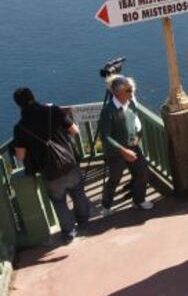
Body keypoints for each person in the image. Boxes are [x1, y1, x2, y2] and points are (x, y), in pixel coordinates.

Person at [13, 87, 90, 244]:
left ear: (18, 105)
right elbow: (74, 131)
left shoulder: (20, 128)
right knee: (78, 192)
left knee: (59, 201)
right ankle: (84, 222)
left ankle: (69, 232)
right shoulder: (53, 111)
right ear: (33, 97)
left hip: (49, 170)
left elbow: (20, 155)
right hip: (69, 163)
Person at [100, 75, 153, 215]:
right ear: (117, 93)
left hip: (132, 147)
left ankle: (139, 200)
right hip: (116, 153)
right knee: (114, 179)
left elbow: (136, 122)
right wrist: (123, 151)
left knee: (142, 173)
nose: (132, 93)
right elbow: (105, 137)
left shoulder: (131, 104)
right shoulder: (108, 111)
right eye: (128, 90)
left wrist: (138, 136)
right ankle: (106, 206)